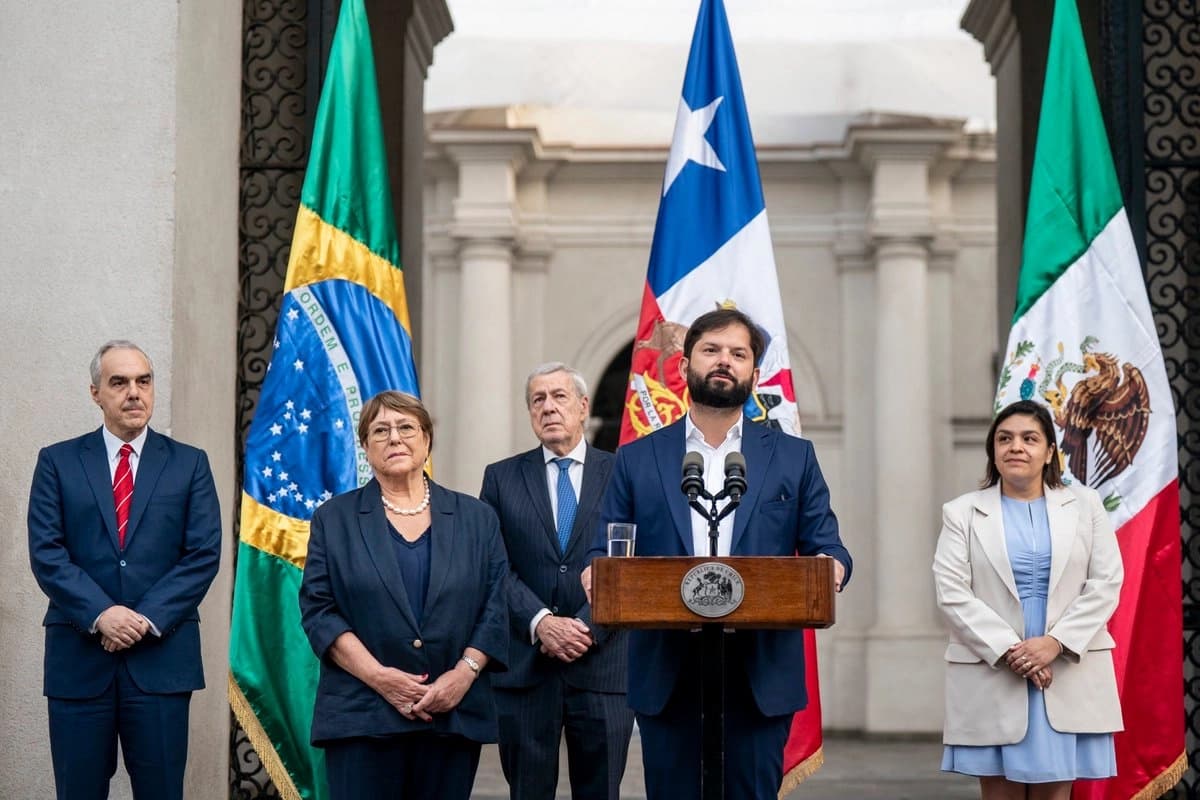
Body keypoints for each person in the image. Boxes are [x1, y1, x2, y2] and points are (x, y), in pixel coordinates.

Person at [583, 308, 852, 800]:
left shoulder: (793, 457)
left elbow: (827, 545)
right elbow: (606, 546)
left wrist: (832, 568)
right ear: (684, 367)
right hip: (669, 669)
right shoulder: (638, 457)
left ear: (753, 372)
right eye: (711, 350)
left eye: (738, 353)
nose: (724, 361)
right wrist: (595, 572)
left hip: (760, 672)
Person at [27, 340, 223, 800]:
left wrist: (144, 619)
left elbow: (202, 555)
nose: (134, 392)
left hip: (162, 660)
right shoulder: (57, 462)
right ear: (96, 392)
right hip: (79, 659)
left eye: (144, 381)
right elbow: (47, 552)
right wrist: (102, 614)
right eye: (119, 382)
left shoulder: (190, 464)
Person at [298, 390, 509, 800]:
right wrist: (379, 678)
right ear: (365, 447)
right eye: (380, 430)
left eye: (406, 427)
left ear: (427, 439)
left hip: (450, 715)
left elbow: (495, 605)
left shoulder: (477, 518)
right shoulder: (333, 519)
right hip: (361, 716)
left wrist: (463, 674)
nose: (395, 438)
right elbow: (319, 610)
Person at [933, 399, 1123, 799]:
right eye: (1004, 439)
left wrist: (1054, 643)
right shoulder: (962, 512)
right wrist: (1012, 652)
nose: (1015, 446)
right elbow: (951, 592)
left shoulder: (1085, 505)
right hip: (994, 670)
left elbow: (1106, 581)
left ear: (1050, 451)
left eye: (1029, 438)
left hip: (1067, 671)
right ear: (993, 451)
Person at [480, 363, 634, 800]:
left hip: (604, 667)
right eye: (538, 400)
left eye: (559, 396)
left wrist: (586, 627)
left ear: (583, 407)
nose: (548, 407)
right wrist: (542, 623)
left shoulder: (623, 473)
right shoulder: (501, 477)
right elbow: (493, 565)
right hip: (527, 669)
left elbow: (630, 562)